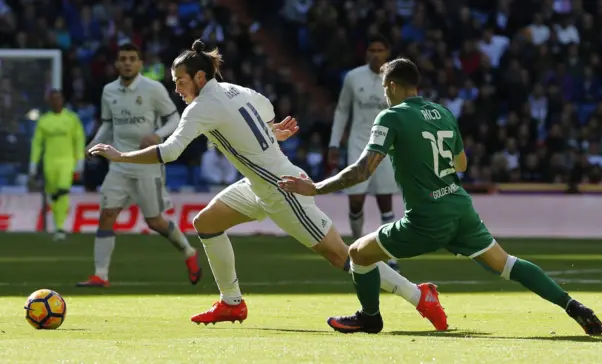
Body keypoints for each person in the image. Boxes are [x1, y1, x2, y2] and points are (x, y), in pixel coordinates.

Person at [88, 40, 447, 330]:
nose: (177, 89)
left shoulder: (200, 108)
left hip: (283, 189)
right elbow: (263, 109)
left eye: (180, 81)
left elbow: (169, 152)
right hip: (260, 184)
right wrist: (269, 133)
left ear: (199, 77)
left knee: (341, 257)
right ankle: (232, 303)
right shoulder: (235, 91)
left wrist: (119, 157)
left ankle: (419, 295)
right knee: (206, 223)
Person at [278, 58, 602, 336]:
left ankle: (370, 317)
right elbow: (461, 164)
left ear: (390, 85)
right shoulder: (443, 113)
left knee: (358, 253)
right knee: (507, 264)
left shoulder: (391, 117)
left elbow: (363, 171)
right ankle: (571, 304)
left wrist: (316, 187)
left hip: (426, 216)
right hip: (460, 208)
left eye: (383, 88)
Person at [77, 43, 201, 288]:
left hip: (147, 163)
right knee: (106, 215)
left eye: (132, 58)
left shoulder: (153, 89)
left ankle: (189, 252)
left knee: (155, 221)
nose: (127, 63)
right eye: (123, 58)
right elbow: (107, 125)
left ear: (140, 63)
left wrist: (158, 135)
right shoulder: (109, 91)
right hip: (118, 165)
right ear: (116, 64)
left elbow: (174, 118)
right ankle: (100, 275)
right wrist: (93, 144)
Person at [328, 35, 400, 271]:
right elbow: (341, 111)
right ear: (366, 52)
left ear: (387, 52)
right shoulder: (353, 77)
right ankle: (356, 251)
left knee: (385, 203)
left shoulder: (395, 77)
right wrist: (334, 144)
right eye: (372, 49)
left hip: (387, 146)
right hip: (359, 145)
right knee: (356, 201)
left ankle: (391, 256)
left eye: (380, 49)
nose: (376, 54)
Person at [29, 90, 86, 241]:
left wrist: (79, 161)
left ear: (62, 100)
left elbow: (79, 140)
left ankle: (60, 226)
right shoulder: (44, 121)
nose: (55, 101)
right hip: (50, 161)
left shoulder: (72, 118)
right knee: (54, 194)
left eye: (58, 98)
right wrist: (33, 163)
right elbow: (37, 144)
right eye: (52, 99)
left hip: (67, 160)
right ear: (49, 102)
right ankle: (58, 226)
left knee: (62, 189)